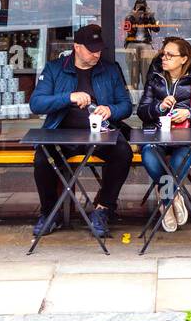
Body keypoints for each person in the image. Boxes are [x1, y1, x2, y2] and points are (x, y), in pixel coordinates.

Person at [28, 24, 134, 239]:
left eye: (99, 49)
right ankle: (50, 212)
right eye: (91, 49)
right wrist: (68, 97)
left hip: (101, 133)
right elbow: (36, 103)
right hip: (62, 132)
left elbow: (126, 105)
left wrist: (110, 110)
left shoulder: (110, 69)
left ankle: (103, 208)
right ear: (76, 47)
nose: (97, 54)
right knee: (43, 159)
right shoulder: (54, 68)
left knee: (123, 153)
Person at [135, 36, 191, 232]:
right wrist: (158, 107)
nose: (164, 58)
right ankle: (173, 196)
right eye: (163, 54)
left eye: (170, 55)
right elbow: (141, 111)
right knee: (149, 154)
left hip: (189, 137)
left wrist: (189, 112)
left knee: (177, 162)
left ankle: (165, 199)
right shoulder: (155, 77)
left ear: (183, 59)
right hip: (158, 135)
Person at [123, 0, 159, 89]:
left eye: (143, 7)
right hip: (133, 44)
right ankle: (134, 98)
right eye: (139, 6)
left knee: (146, 73)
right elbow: (127, 30)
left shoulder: (148, 17)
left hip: (145, 44)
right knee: (133, 74)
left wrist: (150, 17)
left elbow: (156, 29)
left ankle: (147, 97)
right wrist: (134, 17)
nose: (141, 9)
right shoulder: (130, 17)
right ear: (135, 7)